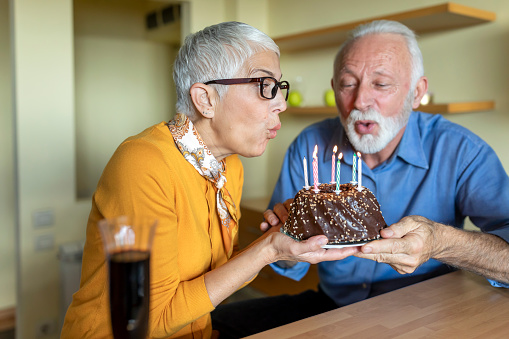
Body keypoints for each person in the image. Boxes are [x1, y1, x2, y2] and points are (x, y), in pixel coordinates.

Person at [211, 19, 509, 338]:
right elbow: (286, 265)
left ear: (417, 92)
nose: (360, 101)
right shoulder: (310, 146)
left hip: (427, 311)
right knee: (209, 326)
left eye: (381, 84)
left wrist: (441, 242)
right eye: (347, 84)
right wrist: (282, 244)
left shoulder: (460, 151)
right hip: (332, 306)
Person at [61, 21, 358, 339]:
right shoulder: (143, 164)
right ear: (205, 100)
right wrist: (269, 250)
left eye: (279, 87)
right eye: (265, 86)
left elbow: (219, 274)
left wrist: (279, 236)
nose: (281, 104)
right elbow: (152, 319)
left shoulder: (229, 166)